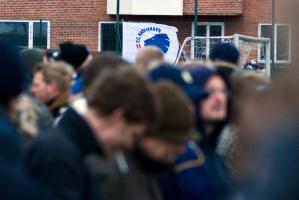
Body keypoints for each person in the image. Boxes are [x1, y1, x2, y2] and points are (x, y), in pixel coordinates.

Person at [25, 67, 157, 200]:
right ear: (118, 118)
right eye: (133, 135)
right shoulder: (57, 155)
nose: (130, 145)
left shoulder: (71, 150)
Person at [86, 80, 197, 200]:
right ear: (147, 132)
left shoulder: (147, 169)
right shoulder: (108, 175)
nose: (181, 149)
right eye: (173, 140)